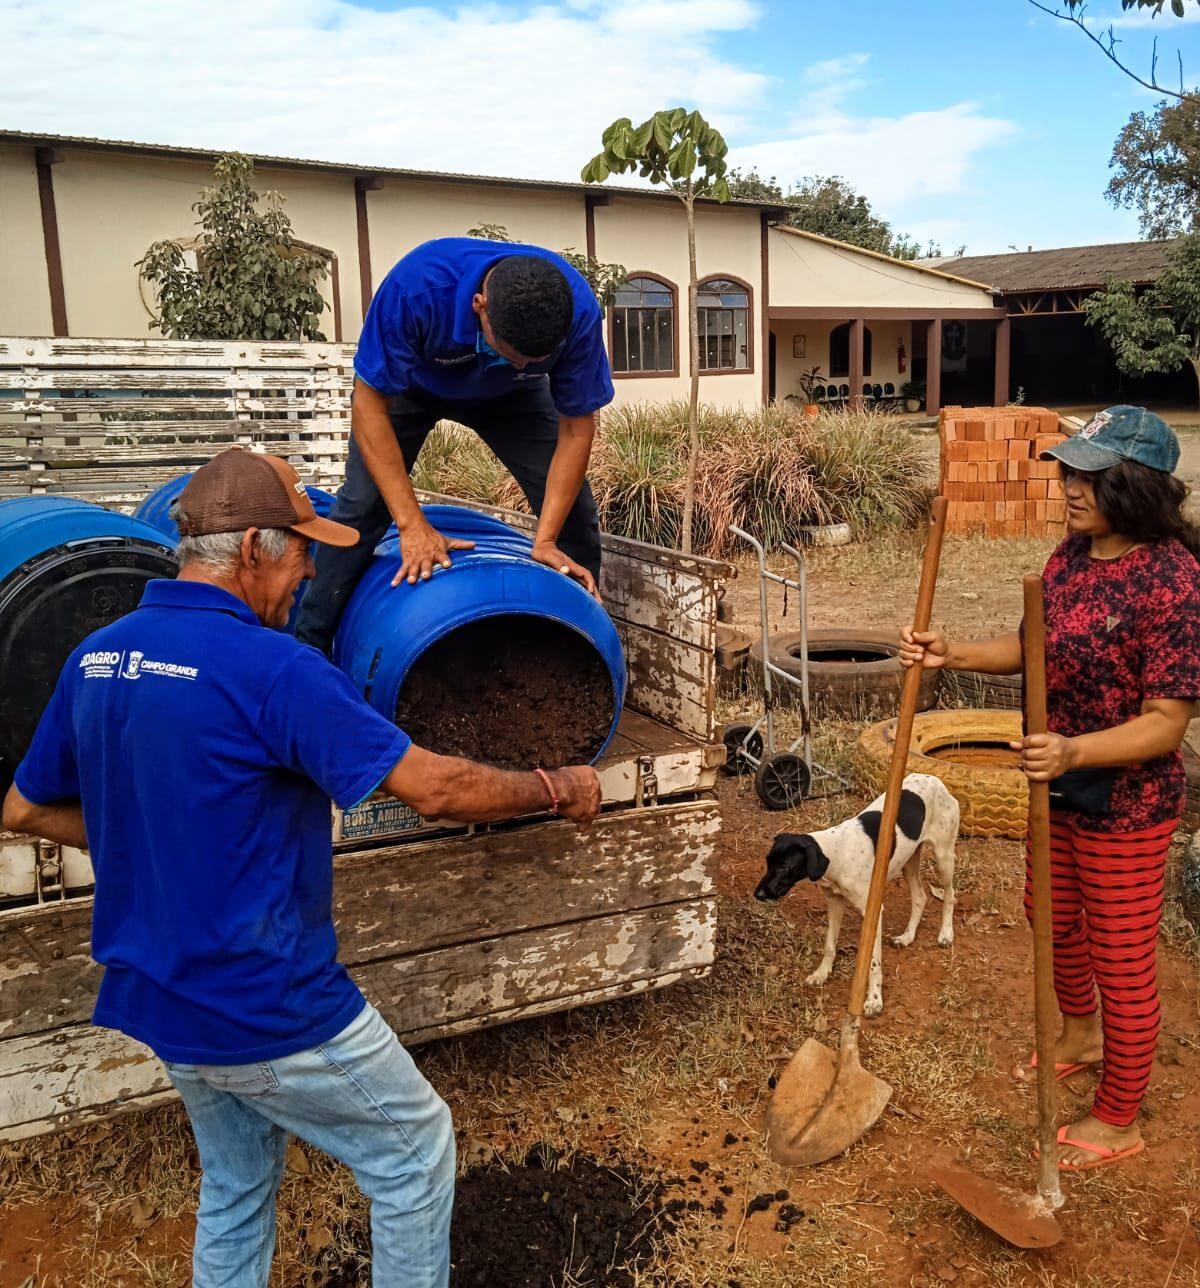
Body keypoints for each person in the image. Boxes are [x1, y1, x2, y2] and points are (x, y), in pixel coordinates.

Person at [1, 448, 601, 1287]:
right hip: (265, 1003)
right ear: (252, 548)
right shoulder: (274, 670)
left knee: (239, 1183)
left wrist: (155, 834)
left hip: (162, 1000)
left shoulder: (99, 655)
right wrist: (555, 784)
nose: (313, 571)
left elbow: (23, 809)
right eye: (302, 549)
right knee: (414, 1153)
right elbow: (432, 788)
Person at [899, 406, 1200, 1172]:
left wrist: (1072, 751)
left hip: (1125, 799)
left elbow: (1166, 724)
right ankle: (1080, 1033)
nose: (1068, 487)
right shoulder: (1073, 555)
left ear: (1132, 485)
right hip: (1056, 774)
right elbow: (1038, 646)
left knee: (1122, 952)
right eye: (1068, 471)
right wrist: (953, 652)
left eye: (1087, 476)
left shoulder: (1174, 582)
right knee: (1050, 914)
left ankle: (1119, 1114)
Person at [295, 237, 614, 655]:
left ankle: (580, 644)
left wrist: (547, 539)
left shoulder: (576, 311)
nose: (522, 363)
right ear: (479, 305)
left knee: (575, 515)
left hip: (513, 396)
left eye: (535, 360)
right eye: (512, 353)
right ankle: (309, 647)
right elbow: (368, 408)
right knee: (361, 508)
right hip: (413, 387)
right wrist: (411, 525)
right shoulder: (417, 290)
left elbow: (576, 429)